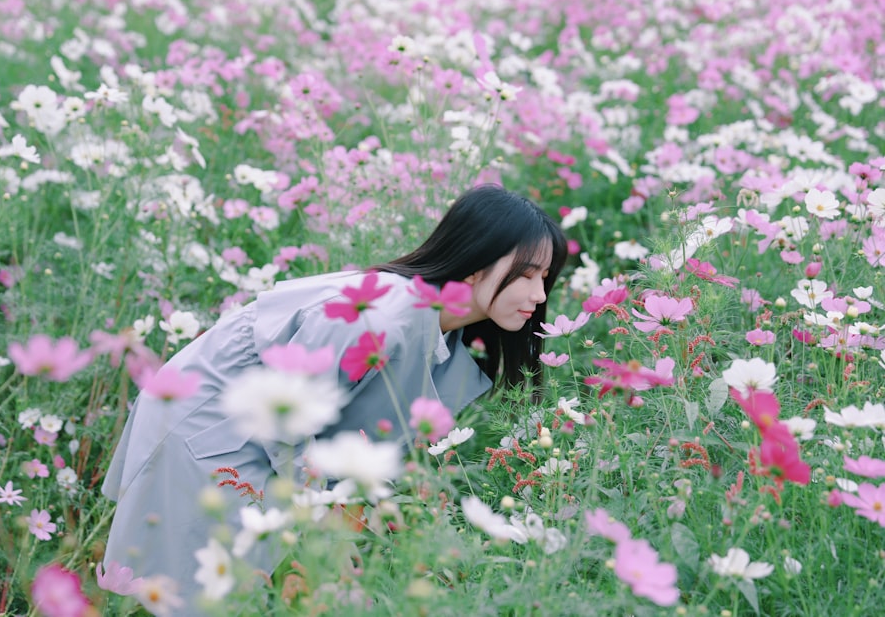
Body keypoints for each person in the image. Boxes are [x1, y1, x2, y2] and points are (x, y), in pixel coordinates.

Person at [101, 184, 567, 613]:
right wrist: (326, 524)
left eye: (545, 276)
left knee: (247, 583)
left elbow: (363, 441)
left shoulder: (449, 336)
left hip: (275, 439)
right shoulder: (382, 314)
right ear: (475, 261)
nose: (538, 293)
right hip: (219, 420)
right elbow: (286, 413)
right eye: (525, 274)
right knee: (195, 588)